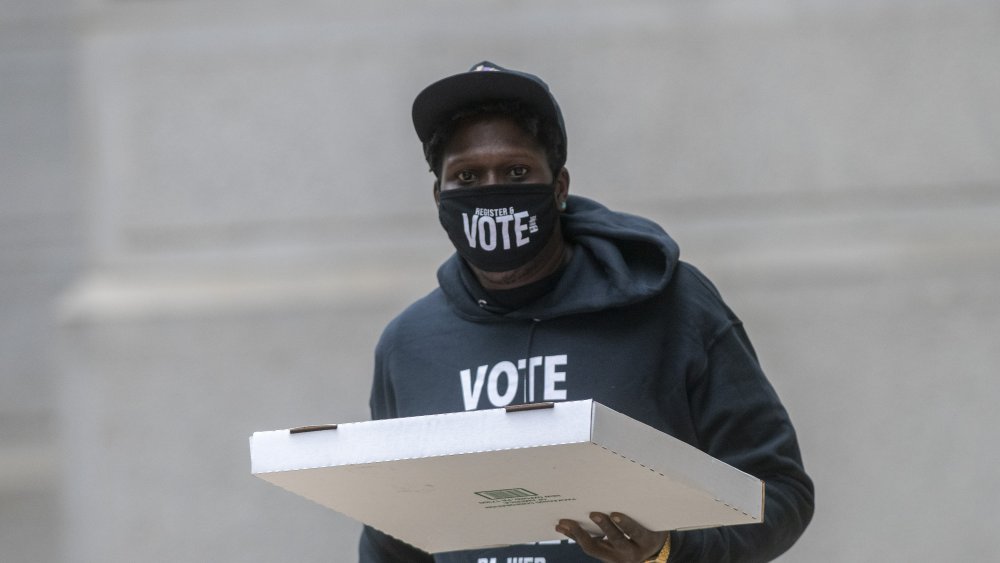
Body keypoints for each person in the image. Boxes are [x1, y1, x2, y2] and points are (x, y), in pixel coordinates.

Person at [359, 61, 814, 563]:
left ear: (558, 188)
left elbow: (781, 492)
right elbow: (391, 537)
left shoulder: (672, 305)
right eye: (467, 176)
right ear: (438, 196)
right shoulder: (408, 345)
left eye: (515, 172)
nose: (492, 193)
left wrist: (669, 551)